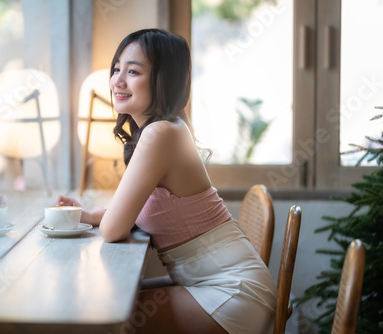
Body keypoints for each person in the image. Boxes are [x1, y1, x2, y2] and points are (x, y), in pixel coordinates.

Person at [56, 29, 277, 334]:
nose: (117, 80)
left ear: (163, 80)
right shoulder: (165, 130)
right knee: (108, 303)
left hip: (232, 294)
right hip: (216, 284)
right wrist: (90, 214)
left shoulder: (161, 134)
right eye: (117, 68)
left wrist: (101, 221)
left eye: (133, 71)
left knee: (101, 316)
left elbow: (112, 230)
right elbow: (130, 214)